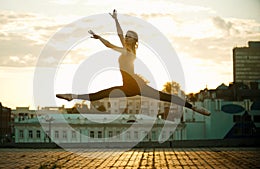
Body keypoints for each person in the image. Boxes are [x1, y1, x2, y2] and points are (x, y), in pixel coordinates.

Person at [56, 10, 210, 116]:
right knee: (99, 95)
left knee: (166, 97)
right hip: (128, 87)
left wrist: (116, 20)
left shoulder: (129, 51)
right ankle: (71, 96)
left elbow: (118, 35)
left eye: (130, 36)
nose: (127, 38)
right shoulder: (124, 50)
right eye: (127, 36)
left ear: (134, 41)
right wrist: (99, 37)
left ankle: (193, 107)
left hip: (137, 85)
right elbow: (109, 44)